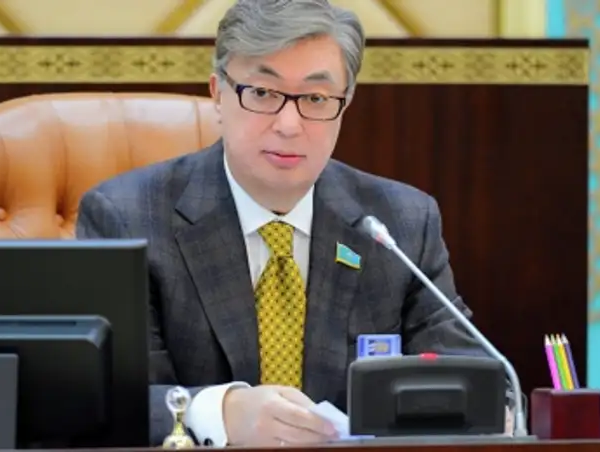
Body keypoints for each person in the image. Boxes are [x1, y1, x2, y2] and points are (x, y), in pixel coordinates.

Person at [76, 0, 503, 447]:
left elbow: (472, 380)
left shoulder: (399, 223)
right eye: (263, 93)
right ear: (218, 93)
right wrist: (220, 412)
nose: (288, 124)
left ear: (344, 104)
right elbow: (103, 401)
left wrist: (493, 407)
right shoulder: (127, 218)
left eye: (315, 99)